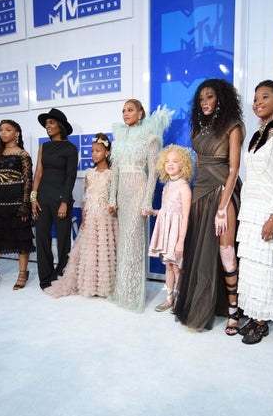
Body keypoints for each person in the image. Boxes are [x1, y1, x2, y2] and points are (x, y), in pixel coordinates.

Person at [174, 79, 244, 332]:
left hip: (223, 192)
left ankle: (234, 311)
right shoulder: (197, 131)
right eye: (201, 98)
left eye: (210, 97)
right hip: (200, 193)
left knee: (226, 253)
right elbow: (201, 166)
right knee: (201, 252)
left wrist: (223, 207)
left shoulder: (233, 127)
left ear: (220, 99)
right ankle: (204, 303)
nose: (205, 102)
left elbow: (234, 169)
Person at [236, 80, 273, 344]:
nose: (259, 101)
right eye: (256, 97)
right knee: (250, 265)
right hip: (250, 210)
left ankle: (262, 321)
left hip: (267, 212)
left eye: (265, 97)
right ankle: (254, 311)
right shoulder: (257, 136)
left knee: (266, 266)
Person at [108, 99, 172, 312]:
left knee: (133, 241)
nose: (126, 113)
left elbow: (153, 171)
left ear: (141, 113)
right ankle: (122, 291)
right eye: (123, 110)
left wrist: (147, 200)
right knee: (123, 242)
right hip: (122, 193)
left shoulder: (150, 137)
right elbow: (115, 170)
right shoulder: (119, 137)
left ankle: (133, 295)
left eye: (130, 110)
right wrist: (112, 198)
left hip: (138, 189)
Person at [47, 133, 118, 298]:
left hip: (106, 218)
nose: (94, 154)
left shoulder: (112, 173)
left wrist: (113, 207)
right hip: (91, 216)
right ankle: (89, 284)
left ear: (107, 152)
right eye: (92, 151)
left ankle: (103, 286)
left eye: (98, 151)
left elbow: (115, 196)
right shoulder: (89, 173)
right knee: (90, 251)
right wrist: (84, 218)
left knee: (105, 251)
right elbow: (86, 196)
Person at [0, 119, 35, 290]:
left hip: (17, 201)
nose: (3, 133)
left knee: (22, 240)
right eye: (0, 130)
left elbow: (28, 181)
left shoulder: (23, 155)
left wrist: (25, 205)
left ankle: (22, 274)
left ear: (16, 133)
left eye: (7, 129)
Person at [31, 108, 79, 289]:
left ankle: (61, 275)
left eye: (51, 123)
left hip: (61, 199)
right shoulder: (44, 146)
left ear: (60, 125)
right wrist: (33, 198)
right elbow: (38, 174)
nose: (47, 126)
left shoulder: (70, 148)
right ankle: (45, 277)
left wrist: (65, 202)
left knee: (63, 240)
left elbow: (71, 177)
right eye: (46, 124)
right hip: (42, 197)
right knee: (42, 237)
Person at [147, 144, 193, 312]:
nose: (170, 164)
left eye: (175, 161)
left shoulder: (184, 187)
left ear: (184, 164)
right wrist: (153, 211)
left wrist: (181, 241)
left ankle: (180, 299)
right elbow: (167, 211)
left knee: (177, 266)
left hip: (177, 233)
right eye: (167, 161)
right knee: (168, 265)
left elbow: (185, 215)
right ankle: (169, 299)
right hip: (167, 231)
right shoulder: (167, 186)